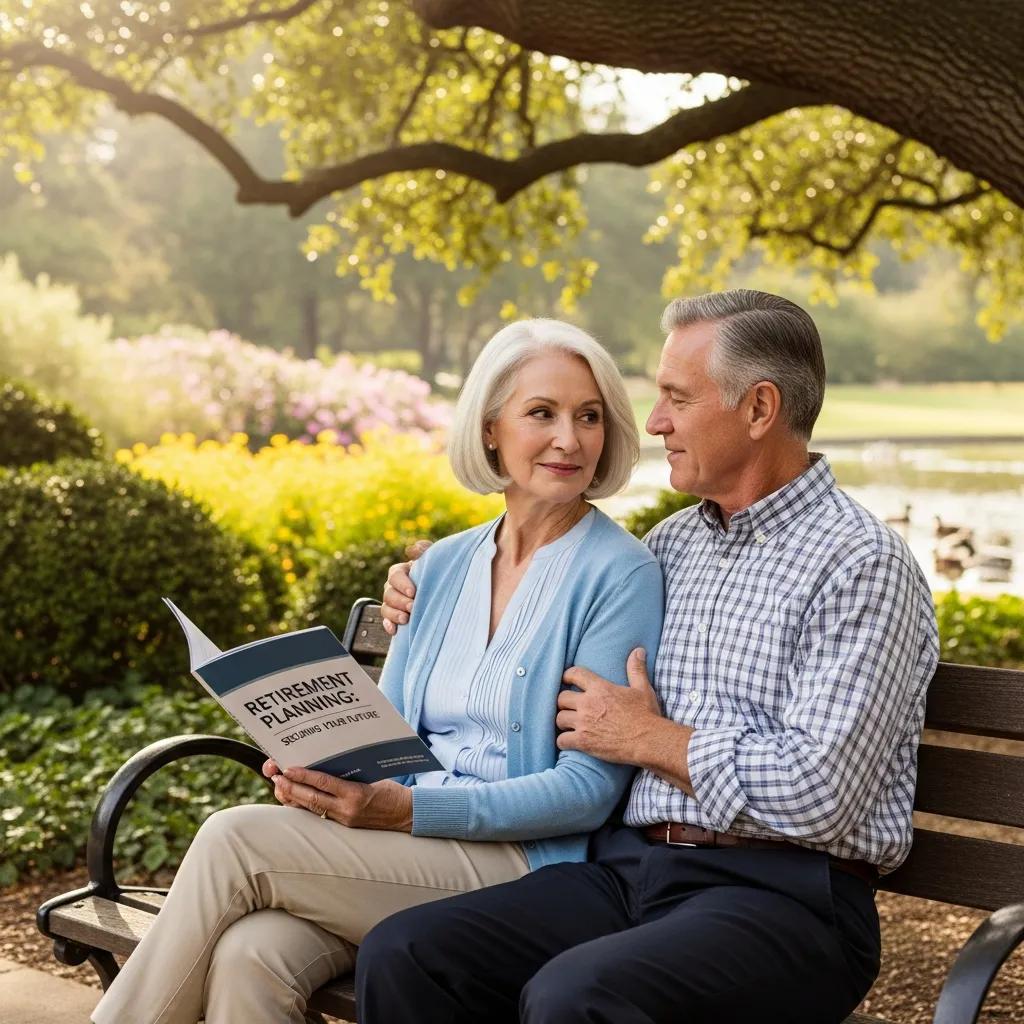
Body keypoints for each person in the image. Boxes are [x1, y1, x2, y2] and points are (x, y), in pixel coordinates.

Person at [365, 289, 940, 1024]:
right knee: (409, 953)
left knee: (576, 996)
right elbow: (546, 594)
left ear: (759, 409)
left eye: (677, 397)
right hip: (633, 871)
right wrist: (430, 582)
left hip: (785, 897)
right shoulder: (672, 546)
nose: (655, 421)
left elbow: (819, 793)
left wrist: (651, 739)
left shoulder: (860, 564)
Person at [90, 319, 664, 1024]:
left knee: (232, 839)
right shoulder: (441, 566)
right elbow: (386, 738)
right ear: (491, 430)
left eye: (589, 417)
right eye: (541, 413)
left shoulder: (619, 574)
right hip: (399, 842)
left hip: (518, 861)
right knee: (250, 952)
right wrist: (319, 772)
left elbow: (586, 793)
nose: (569, 439)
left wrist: (411, 811)